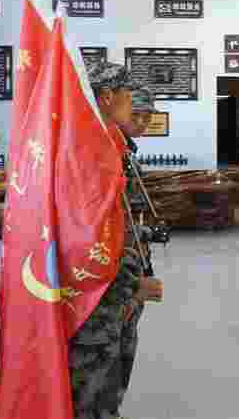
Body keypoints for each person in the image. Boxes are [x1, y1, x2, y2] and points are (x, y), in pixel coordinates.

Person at [70, 62, 163, 419]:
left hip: (118, 287)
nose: (137, 113)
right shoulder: (92, 153)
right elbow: (98, 233)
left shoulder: (112, 149)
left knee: (109, 383)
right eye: (128, 97)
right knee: (93, 388)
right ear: (107, 97)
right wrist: (132, 286)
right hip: (100, 293)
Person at [115, 85, 164, 407]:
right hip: (118, 272)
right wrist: (131, 285)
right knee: (111, 354)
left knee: (123, 347)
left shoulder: (125, 152)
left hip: (133, 262)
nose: (143, 122)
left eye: (148, 116)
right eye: (137, 115)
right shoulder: (109, 154)